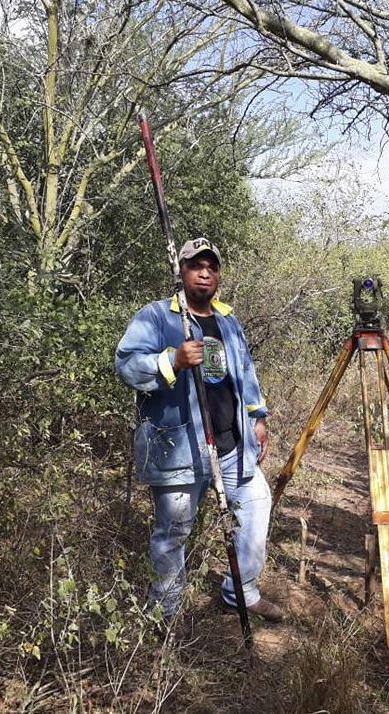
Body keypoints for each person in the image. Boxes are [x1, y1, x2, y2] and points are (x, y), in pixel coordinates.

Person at [115, 238, 285, 634]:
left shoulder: (227, 320)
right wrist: (171, 360)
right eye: (195, 266)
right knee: (173, 532)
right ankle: (168, 609)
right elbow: (126, 365)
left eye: (211, 266)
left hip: (231, 446)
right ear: (182, 272)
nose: (204, 272)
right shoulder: (157, 317)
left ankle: (241, 590)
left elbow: (245, 371)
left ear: (219, 275)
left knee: (256, 509)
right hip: (178, 448)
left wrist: (257, 417)